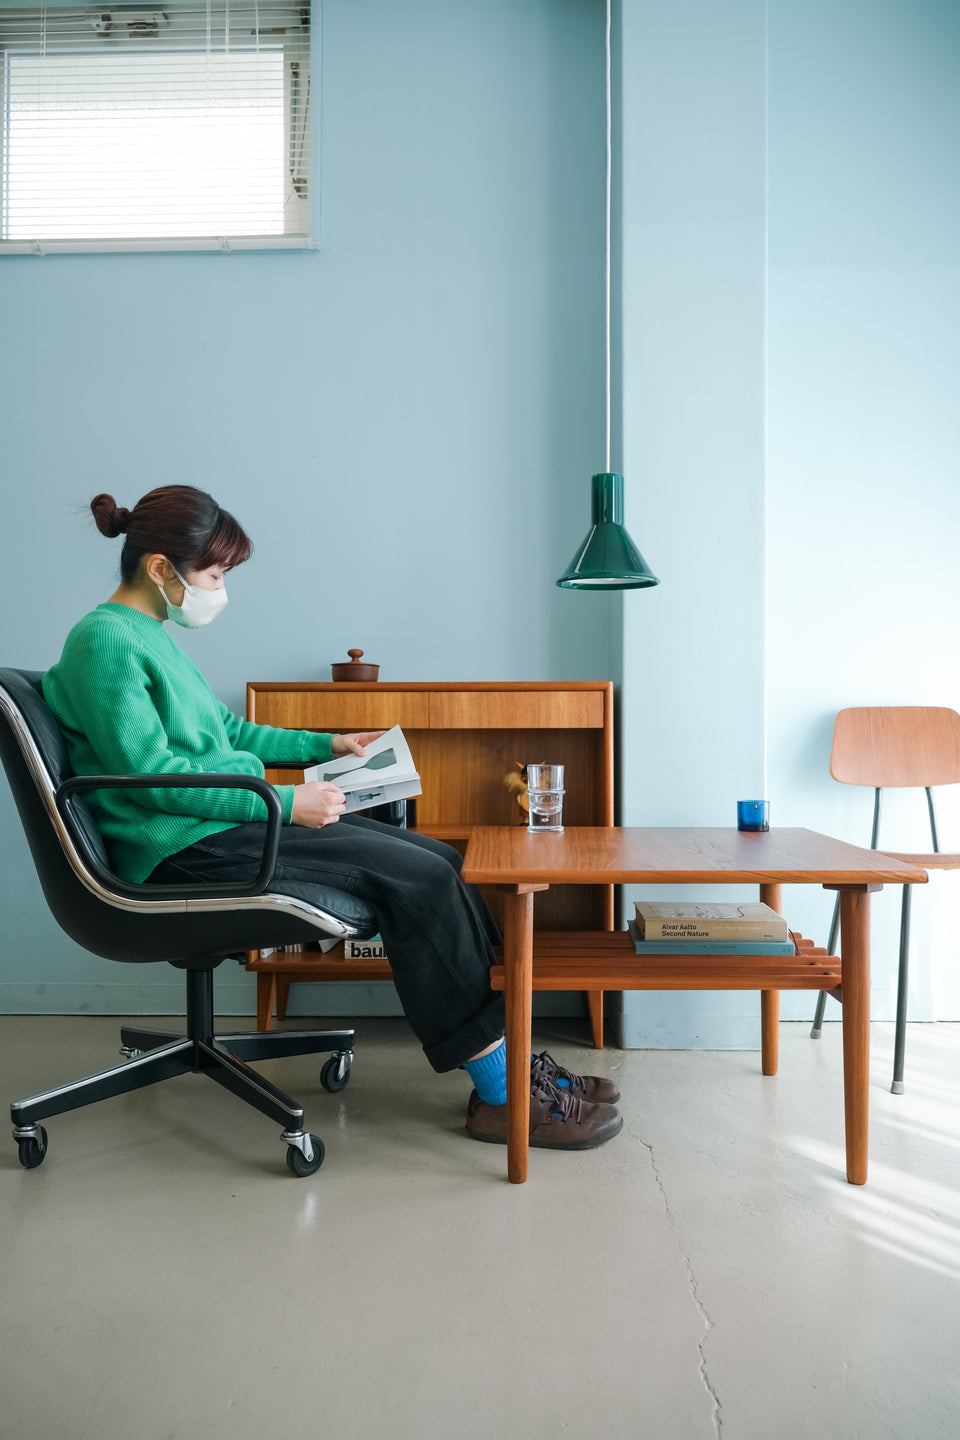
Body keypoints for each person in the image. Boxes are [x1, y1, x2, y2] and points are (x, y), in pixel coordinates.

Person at [43, 486, 622, 1150]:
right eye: (214, 573)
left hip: (228, 825)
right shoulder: (103, 641)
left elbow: (224, 733)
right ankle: (504, 1094)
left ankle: (513, 1063)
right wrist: (289, 802)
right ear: (160, 569)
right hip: (185, 846)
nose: (220, 588)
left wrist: (323, 746)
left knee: (441, 861)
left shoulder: (151, 635)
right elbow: (150, 782)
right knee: (420, 881)